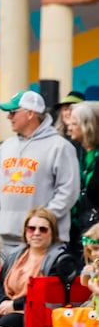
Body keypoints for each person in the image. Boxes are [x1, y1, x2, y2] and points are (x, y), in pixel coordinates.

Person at [0, 91, 80, 262]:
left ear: (30, 113)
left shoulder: (60, 147)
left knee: (38, 289)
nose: (8, 117)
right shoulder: (6, 146)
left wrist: (42, 221)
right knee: (8, 288)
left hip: (45, 241)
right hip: (6, 239)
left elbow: (68, 192)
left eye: (13, 112)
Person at [0, 206, 78, 327]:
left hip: (37, 314)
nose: (36, 233)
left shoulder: (59, 260)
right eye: (31, 228)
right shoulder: (14, 255)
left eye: (43, 229)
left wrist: (15, 305)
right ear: (25, 231)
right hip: (7, 307)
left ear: (52, 233)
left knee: (7, 323)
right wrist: (3, 302)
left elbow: (50, 296)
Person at [66, 101, 99, 262]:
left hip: (95, 233)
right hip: (72, 229)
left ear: (88, 125)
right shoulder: (71, 150)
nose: (68, 127)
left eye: (74, 123)